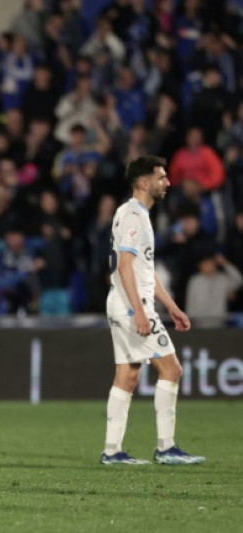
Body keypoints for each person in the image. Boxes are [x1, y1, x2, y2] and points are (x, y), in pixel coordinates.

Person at [102, 155, 204, 466]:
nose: (168, 182)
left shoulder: (128, 212)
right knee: (172, 369)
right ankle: (166, 447)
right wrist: (140, 312)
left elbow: (144, 269)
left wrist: (171, 306)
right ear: (145, 183)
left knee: (127, 375)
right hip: (133, 306)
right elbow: (125, 265)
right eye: (161, 177)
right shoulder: (136, 216)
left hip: (120, 302)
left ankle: (111, 451)